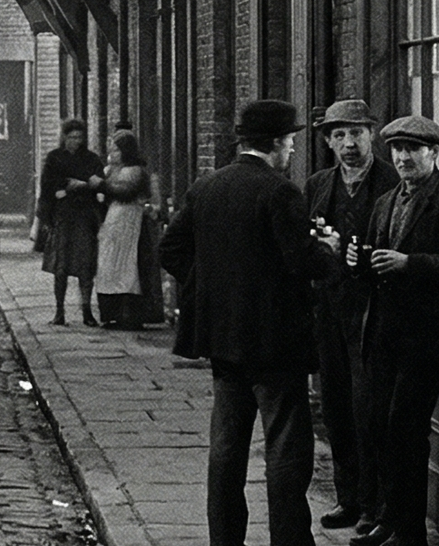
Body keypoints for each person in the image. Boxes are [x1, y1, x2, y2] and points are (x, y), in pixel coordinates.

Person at [158, 99, 337, 546]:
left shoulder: (207, 187)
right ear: (276, 143)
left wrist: (214, 291)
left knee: (226, 452)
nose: (292, 150)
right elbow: (299, 260)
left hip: (224, 343)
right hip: (277, 343)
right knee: (285, 450)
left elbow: (170, 251)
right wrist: (329, 250)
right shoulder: (279, 191)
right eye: (290, 141)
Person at [348, 116, 439, 546]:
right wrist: (357, 261)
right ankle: (390, 518)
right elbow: (371, 261)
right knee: (380, 426)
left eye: (413, 150)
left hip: (426, 336)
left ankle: (410, 531)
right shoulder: (385, 202)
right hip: (382, 332)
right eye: (397, 150)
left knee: (406, 429)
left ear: (434, 153)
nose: (402, 158)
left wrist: (409, 264)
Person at [304, 99, 399, 529]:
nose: (349, 144)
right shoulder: (319, 184)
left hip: (376, 311)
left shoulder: (393, 180)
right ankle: (349, 498)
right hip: (330, 310)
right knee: (336, 407)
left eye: (356, 133)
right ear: (327, 141)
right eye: (339, 135)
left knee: (370, 409)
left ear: (372, 135)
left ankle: (377, 505)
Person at [94, 131, 166, 329]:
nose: (113, 154)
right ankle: (114, 314)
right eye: (112, 150)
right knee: (111, 266)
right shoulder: (113, 170)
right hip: (115, 222)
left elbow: (125, 192)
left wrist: (101, 185)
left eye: (117, 150)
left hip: (131, 221)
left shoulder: (134, 171)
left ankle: (131, 315)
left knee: (129, 268)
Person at [38, 119, 106, 326]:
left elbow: (100, 186)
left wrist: (80, 186)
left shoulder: (92, 159)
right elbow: (48, 188)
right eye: (71, 137)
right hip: (62, 217)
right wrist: (46, 217)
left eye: (79, 137)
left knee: (86, 265)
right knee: (61, 266)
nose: (76, 141)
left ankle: (87, 311)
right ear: (64, 137)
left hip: (85, 217)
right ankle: (59, 312)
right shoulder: (55, 158)